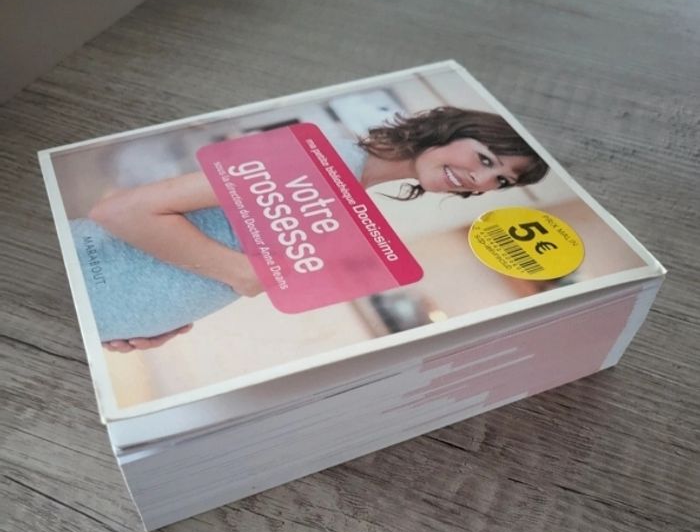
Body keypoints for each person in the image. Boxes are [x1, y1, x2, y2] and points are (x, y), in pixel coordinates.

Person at [70, 107, 548, 351]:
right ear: (448, 130)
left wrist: (160, 321)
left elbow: (206, 250)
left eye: (501, 181)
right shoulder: (319, 157)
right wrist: (241, 274)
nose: (483, 181)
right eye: (486, 159)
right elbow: (122, 212)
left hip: (99, 317)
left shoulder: (350, 193)